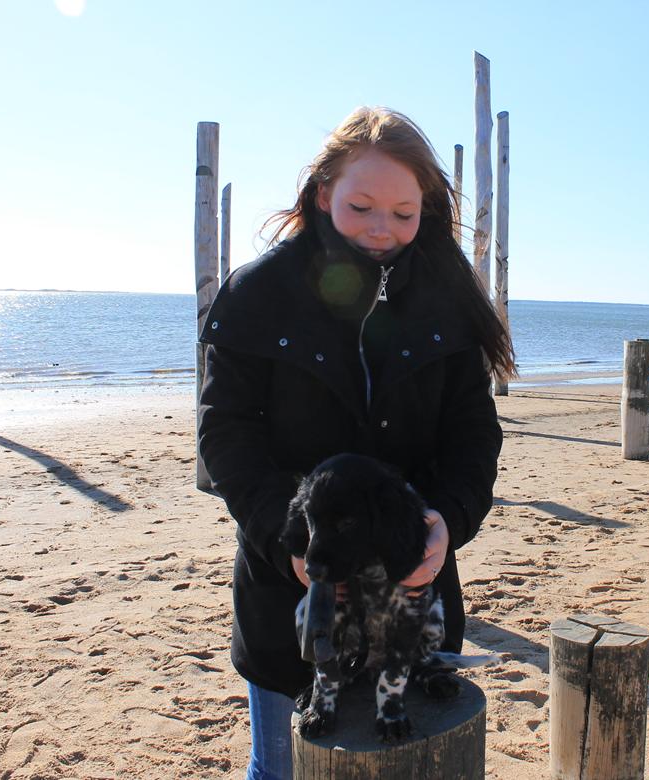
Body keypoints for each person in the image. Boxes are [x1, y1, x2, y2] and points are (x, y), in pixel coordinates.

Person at [197, 106, 515, 780]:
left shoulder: (448, 298)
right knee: (282, 767)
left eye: (404, 213)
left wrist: (447, 524)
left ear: (427, 208)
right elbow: (226, 435)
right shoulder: (257, 294)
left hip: (412, 592)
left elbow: (473, 434)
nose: (383, 229)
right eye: (362, 206)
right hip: (291, 599)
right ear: (322, 195)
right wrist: (285, 541)